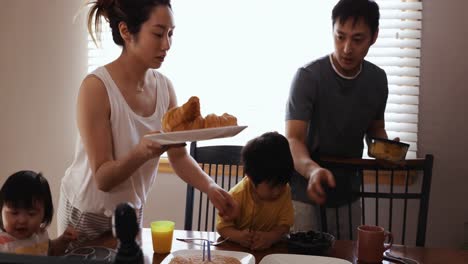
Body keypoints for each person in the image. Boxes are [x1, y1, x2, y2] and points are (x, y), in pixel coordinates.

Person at [58, 0, 238, 248]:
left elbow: (179, 156)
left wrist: (211, 188)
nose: (167, 45)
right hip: (87, 213)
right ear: (125, 31)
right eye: (158, 33)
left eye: (171, 34)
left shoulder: (164, 88)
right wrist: (143, 151)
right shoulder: (97, 88)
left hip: (132, 209)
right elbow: (103, 178)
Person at [285, 0, 392, 238]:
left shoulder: (377, 80)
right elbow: (293, 140)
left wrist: (387, 150)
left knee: (347, 257)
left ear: (374, 37)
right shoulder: (308, 77)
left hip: (348, 193)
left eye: (357, 39)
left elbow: (375, 131)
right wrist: (313, 171)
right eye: (340, 37)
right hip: (304, 192)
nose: (346, 48)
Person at [216, 132, 294, 250]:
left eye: (282, 184)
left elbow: (285, 225)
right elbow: (222, 228)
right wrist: (239, 237)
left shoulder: (285, 190)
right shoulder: (237, 195)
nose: (278, 191)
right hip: (238, 251)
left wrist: (271, 237)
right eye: (273, 187)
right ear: (252, 179)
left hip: (271, 251)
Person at [0, 171, 76, 256]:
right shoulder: (2, 243)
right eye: (14, 213)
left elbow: (51, 252)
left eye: (31, 214)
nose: (22, 220)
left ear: (44, 214)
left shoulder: (40, 235)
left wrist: (63, 240)